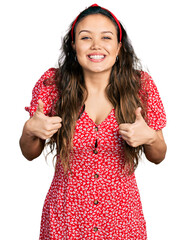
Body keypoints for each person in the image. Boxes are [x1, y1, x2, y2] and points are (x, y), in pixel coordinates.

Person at [20, 4, 167, 240]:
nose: (96, 45)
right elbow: (29, 153)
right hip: (66, 219)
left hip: (122, 220)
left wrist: (150, 137)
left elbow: (159, 155)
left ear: (119, 46)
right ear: (74, 45)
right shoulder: (52, 86)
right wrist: (30, 131)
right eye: (85, 37)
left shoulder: (141, 86)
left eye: (106, 37)